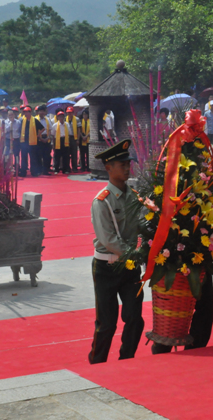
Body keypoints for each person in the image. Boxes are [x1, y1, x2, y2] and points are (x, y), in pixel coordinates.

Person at [89, 139, 143, 364]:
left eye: (128, 164)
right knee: (107, 323)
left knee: (134, 318)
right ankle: (97, 362)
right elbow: (108, 239)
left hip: (130, 267)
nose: (127, 168)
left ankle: (127, 360)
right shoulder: (102, 201)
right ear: (108, 168)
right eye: (122, 165)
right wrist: (135, 254)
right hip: (107, 267)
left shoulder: (135, 196)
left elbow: (143, 226)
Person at [19, 106, 44, 177]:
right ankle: (23, 172)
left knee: (33, 158)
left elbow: (43, 128)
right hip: (24, 142)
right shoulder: (22, 120)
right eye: (24, 112)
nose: (25, 113)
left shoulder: (34, 120)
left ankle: (34, 172)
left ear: (30, 112)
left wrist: (38, 135)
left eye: (26, 112)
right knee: (24, 158)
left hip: (32, 143)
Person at [35, 105, 52, 175]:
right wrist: (40, 138)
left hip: (46, 139)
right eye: (40, 111)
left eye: (43, 111)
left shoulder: (47, 119)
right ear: (38, 112)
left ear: (45, 112)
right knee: (38, 155)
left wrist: (48, 138)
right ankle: (39, 170)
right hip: (38, 139)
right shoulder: (35, 119)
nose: (41, 112)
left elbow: (50, 130)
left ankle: (45, 170)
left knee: (46, 156)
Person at [65, 107, 80, 172]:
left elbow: (79, 129)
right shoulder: (65, 119)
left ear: (73, 112)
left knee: (74, 154)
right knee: (67, 153)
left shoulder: (77, 119)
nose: (69, 114)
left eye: (70, 112)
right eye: (68, 112)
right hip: (67, 138)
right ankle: (67, 167)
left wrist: (78, 139)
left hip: (74, 138)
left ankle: (74, 167)